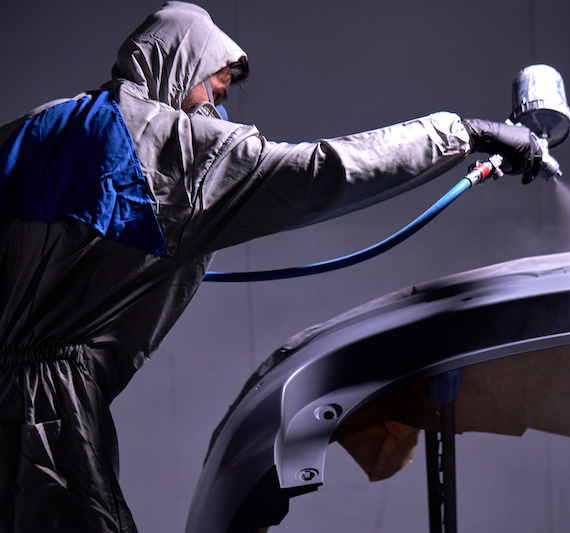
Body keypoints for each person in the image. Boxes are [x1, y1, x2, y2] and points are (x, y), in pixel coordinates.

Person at [0, 2, 542, 531]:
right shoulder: (171, 145)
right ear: (181, 63)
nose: (218, 104)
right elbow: (322, 171)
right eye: (215, 84)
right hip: (43, 413)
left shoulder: (36, 128)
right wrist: (467, 132)